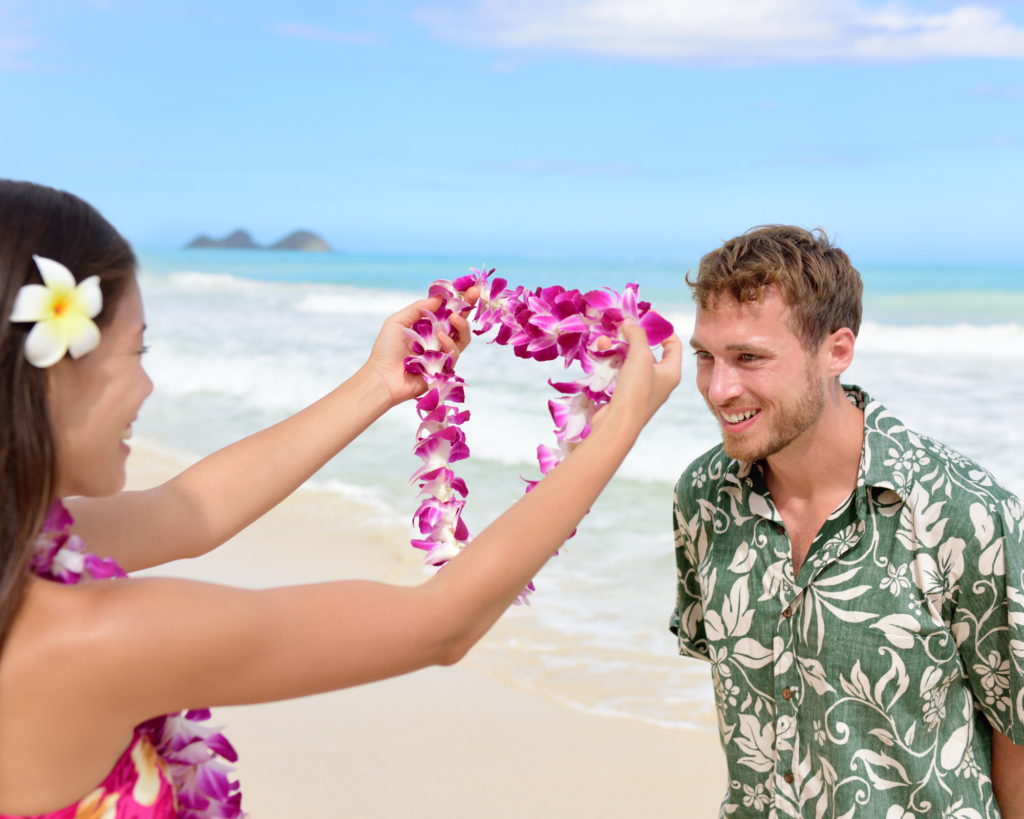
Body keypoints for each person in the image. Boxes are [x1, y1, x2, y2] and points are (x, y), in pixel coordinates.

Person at [0, 180, 682, 818]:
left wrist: (378, 385)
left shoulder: (20, 551)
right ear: (53, 371)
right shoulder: (88, 638)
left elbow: (187, 509)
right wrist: (617, 426)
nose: (148, 387)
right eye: (136, 351)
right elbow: (441, 623)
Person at [670, 225, 1024, 819]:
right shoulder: (703, 496)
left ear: (836, 351)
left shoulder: (964, 510)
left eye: (749, 357)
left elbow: (1017, 726)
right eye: (706, 356)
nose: (719, 388)